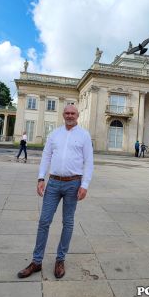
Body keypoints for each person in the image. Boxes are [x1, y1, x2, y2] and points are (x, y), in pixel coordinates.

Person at [17, 105, 93, 279]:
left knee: (68, 222)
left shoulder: (84, 135)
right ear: (63, 115)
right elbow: (46, 156)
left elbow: (89, 162)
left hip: (73, 183)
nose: (69, 115)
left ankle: (60, 259)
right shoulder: (54, 134)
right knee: (44, 221)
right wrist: (41, 178)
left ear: (78, 115)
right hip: (53, 183)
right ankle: (36, 261)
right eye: (67, 113)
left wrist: (85, 185)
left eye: (72, 113)